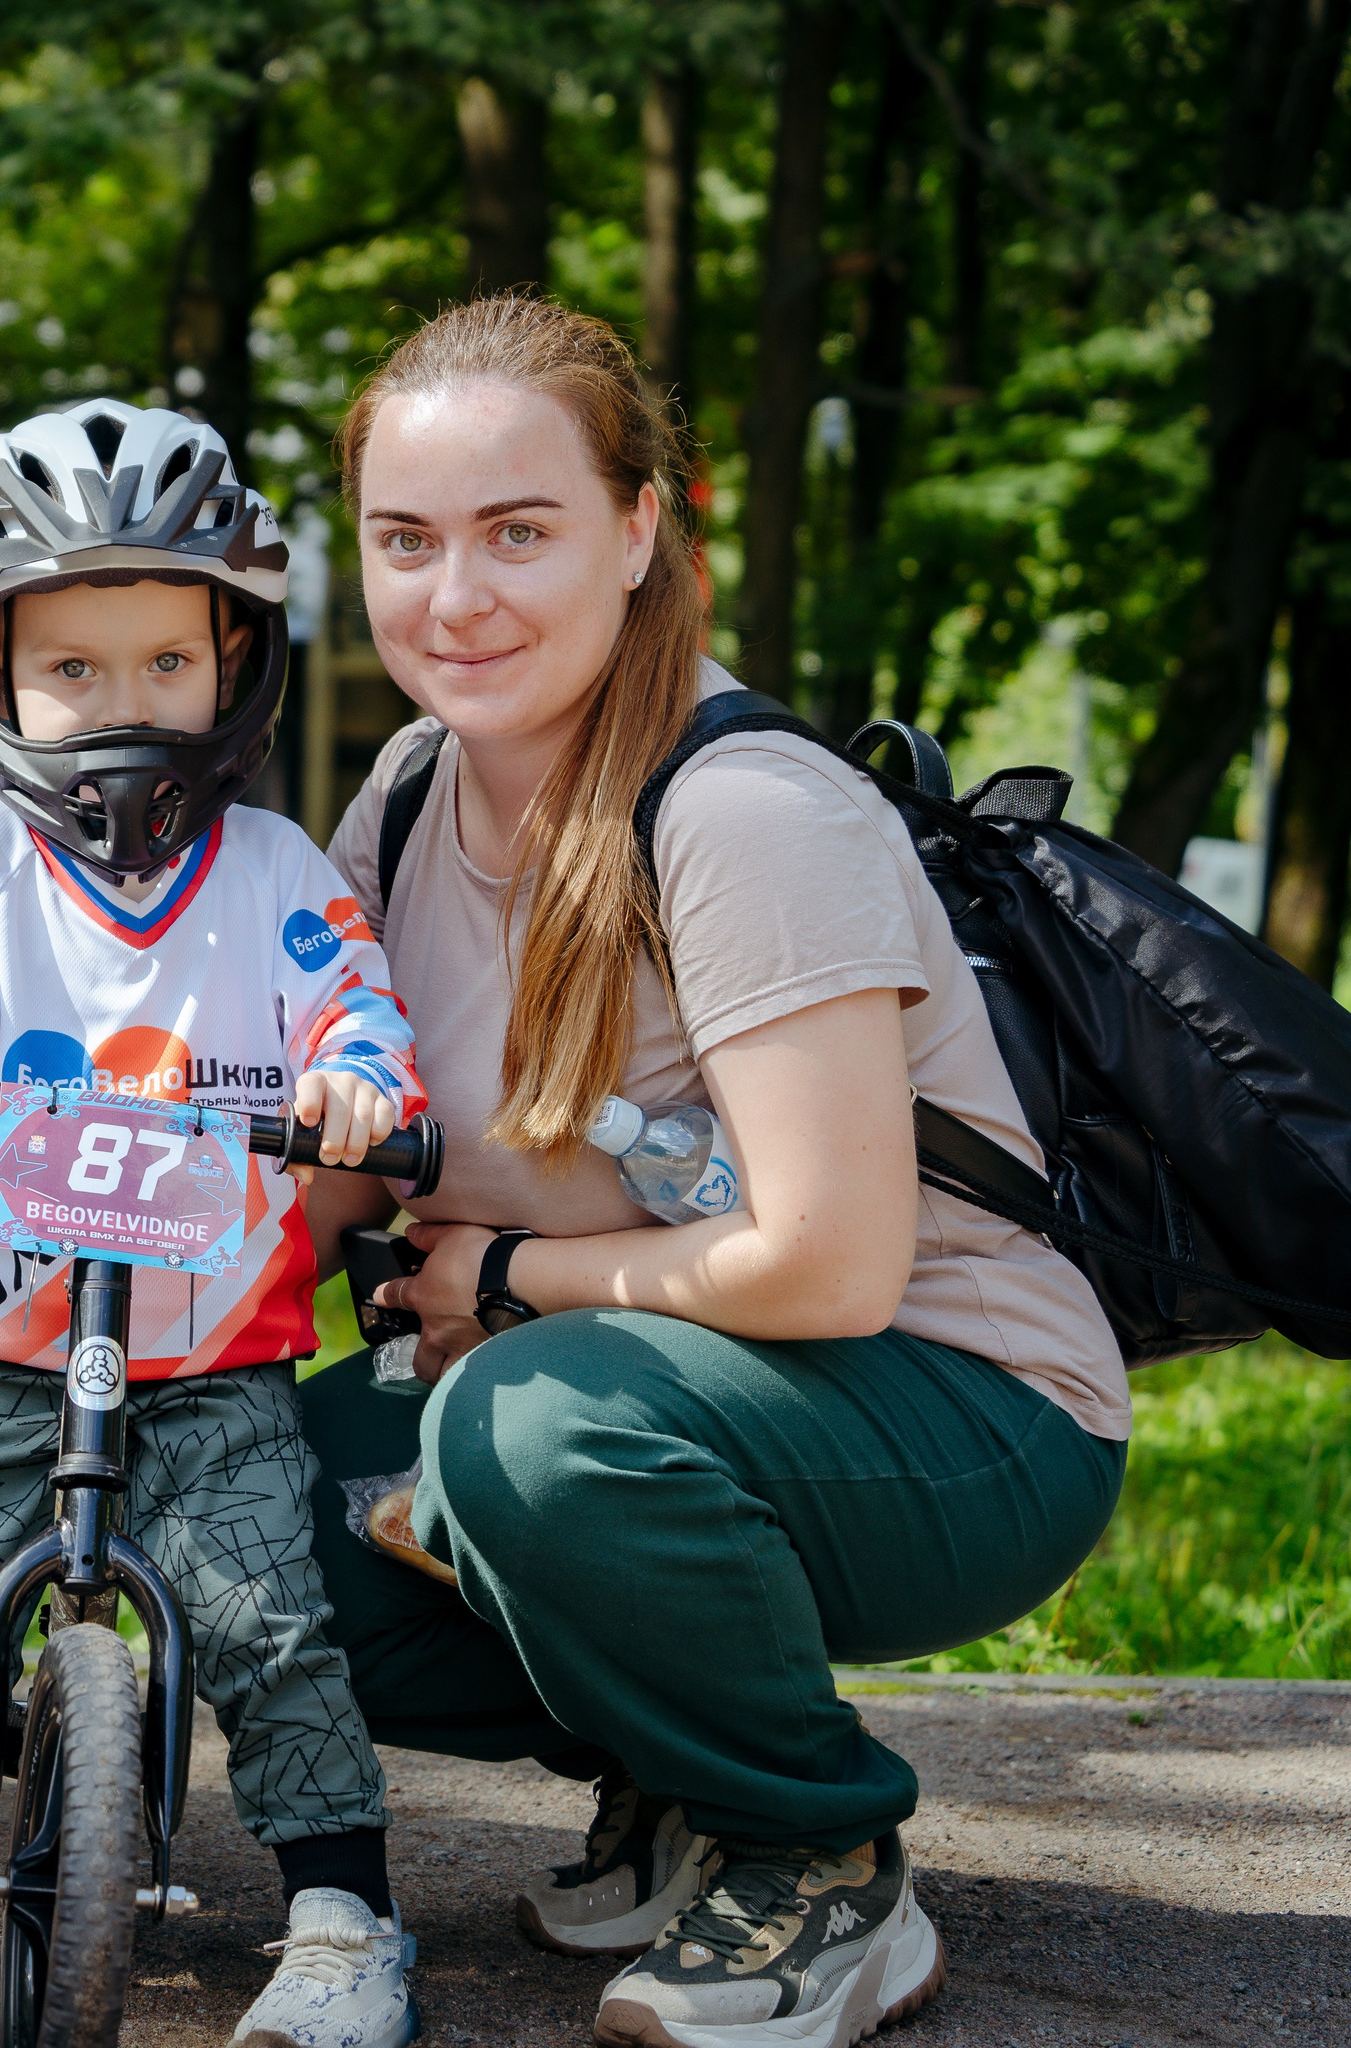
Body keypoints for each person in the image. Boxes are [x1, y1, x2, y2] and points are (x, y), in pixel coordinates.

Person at [293, 295, 1127, 2048]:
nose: (459, 596)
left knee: (523, 1432)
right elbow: (352, 1164)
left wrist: (507, 1289)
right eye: (406, 540)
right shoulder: (405, 793)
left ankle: (818, 1856)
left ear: (640, 529)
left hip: (966, 1414)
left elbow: (829, 1265)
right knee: (226, 1508)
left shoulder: (742, 812)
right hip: (650, 1391)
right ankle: (681, 1773)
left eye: (521, 532)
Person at [0, 400, 429, 2048]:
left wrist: (354, 1088)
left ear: (236, 666)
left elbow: (360, 1021)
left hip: (219, 1352)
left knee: (271, 1621)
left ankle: (344, 1917)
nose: (126, 710)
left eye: (166, 667)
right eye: (76, 671)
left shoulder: (278, 880)